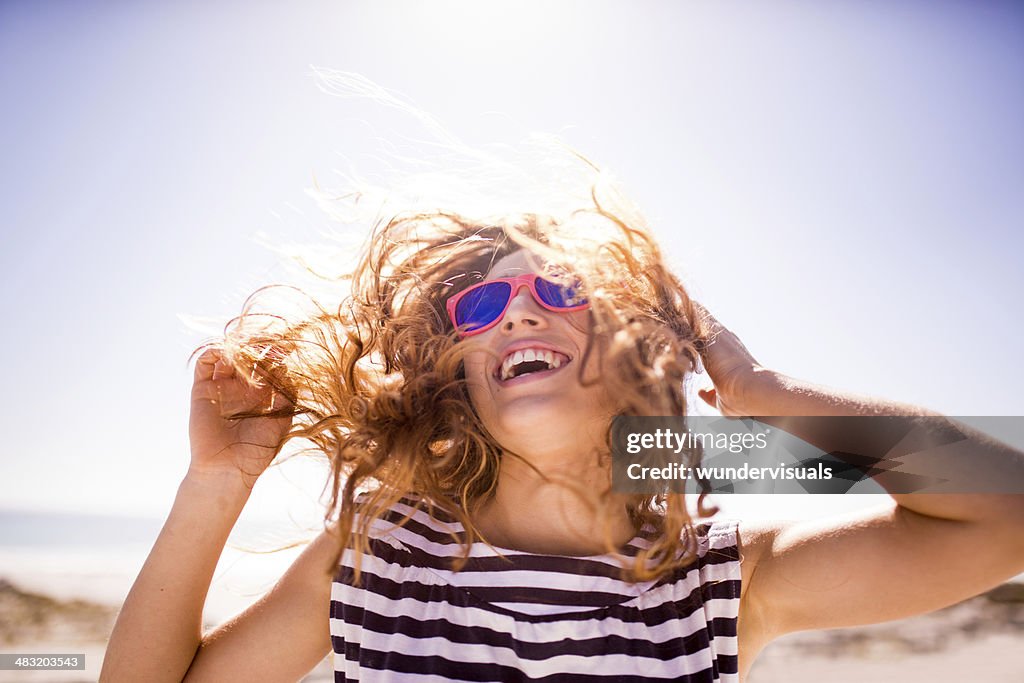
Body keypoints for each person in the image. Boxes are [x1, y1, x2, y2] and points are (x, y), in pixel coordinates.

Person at [101, 188, 1024, 682]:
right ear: (458, 373)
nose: (516, 314)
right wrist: (216, 482)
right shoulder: (382, 554)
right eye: (484, 302)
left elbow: (1005, 510)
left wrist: (767, 395)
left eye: (561, 291)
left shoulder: (717, 583)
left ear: (631, 351)